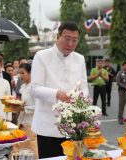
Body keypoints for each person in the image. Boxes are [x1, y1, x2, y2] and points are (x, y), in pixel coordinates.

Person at [30, 21, 89, 159]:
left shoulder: (80, 59)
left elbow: (85, 88)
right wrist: (57, 94)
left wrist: (79, 96)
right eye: (67, 39)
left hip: (73, 126)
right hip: (47, 125)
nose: (70, 44)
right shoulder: (41, 56)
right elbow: (34, 88)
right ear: (58, 36)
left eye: (74, 40)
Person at [15, 63, 38, 159]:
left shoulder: (35, 87)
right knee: (19, 147)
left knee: (32, 147)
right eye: (19, 73)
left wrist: (24, 108)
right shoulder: (23, 87)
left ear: (30, 73)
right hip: (21, 121)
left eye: (23, 73)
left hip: (32, 122)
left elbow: (38, 106)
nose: (20, 76)